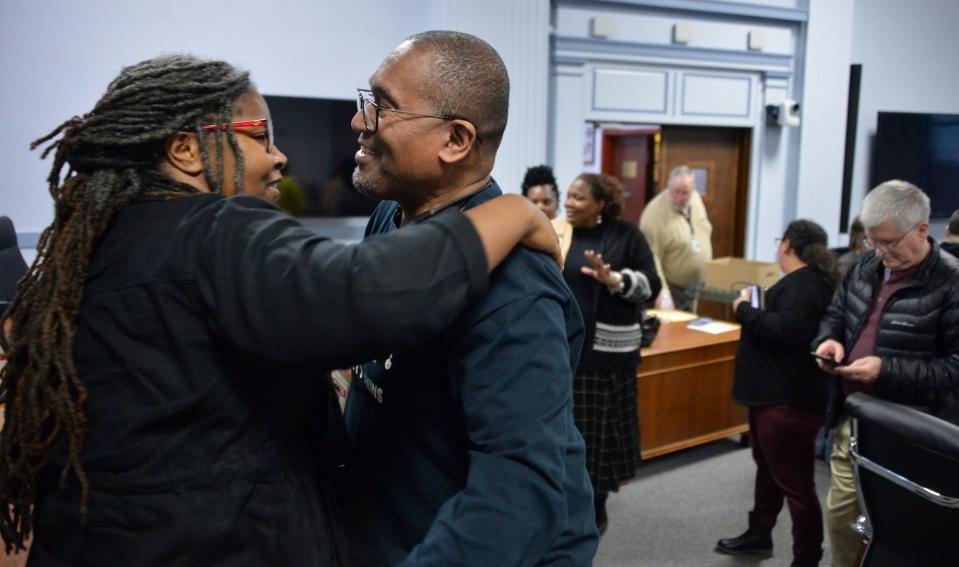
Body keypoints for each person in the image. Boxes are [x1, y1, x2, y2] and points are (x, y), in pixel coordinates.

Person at [0, 54, 562, 566]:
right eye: (258, 135)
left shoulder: (114, 237)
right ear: (187, 150)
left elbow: (523, 478)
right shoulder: (206, 229)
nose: (279, 156)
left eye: (381, 105)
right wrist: (510, 213)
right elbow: (353, 295)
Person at [345, 31, 598, 567]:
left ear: (456, 140)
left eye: (382, 106)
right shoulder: (391, 215)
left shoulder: (515, 290)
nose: (360, 122)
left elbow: (516, 495)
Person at [813, 180, 959, 567]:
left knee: (904, 534)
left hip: (912, 435)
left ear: (923, 231)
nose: (880, 252)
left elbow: (955, 370)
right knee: (843, 519)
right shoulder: (864, 265)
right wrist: (829, 341)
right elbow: (835, 315)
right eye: (872, 241)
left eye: (889, 243)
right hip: (855, 420)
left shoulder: (952, 283)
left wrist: (886, 370)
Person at [716, 219, 838, 567]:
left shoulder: (804, 285)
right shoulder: (808, 283)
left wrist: (745, 311)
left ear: (787, 245)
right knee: (768, 468)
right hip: (776, 394)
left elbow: (788, 330)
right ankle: (759, 533)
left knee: (797, 484)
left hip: (788, 401)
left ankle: (806, 557)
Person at [552, 173, 661, 534]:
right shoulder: (557, 232)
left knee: (595, 440)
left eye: (579, 198)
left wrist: (615, 281)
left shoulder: (626, 235)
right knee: (566, 435)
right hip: (563, 351)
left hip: (607, 358)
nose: (569, 202)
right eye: (568, 195)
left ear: (601, 204)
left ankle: (595, 507)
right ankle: (565, 501)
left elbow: (651, 286)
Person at [639, 165, 713, 312]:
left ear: (693, 188)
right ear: (668, 187)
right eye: (675, 192)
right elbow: (651, 259)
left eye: (685, 193)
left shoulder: (696, 199)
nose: (679, 197)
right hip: (671, 291)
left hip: (694, 289)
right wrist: (663, 294)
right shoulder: (654, 214)